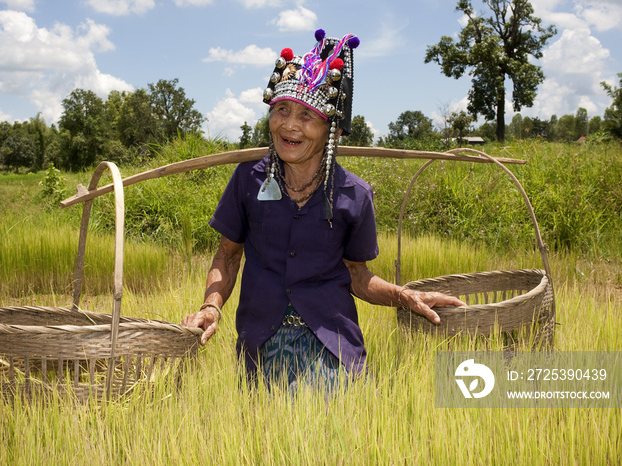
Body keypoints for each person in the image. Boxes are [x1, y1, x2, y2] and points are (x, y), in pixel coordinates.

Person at [182, 29, 464, 389]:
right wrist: (211, 305)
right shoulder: (247, 180)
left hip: (333, 348)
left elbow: (358, 276)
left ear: (334, 131)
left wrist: (403, 296)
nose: (289, 125)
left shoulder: (354, 194)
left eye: (307, 115)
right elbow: (228, 256)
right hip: (259, 346)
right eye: (281, 110)